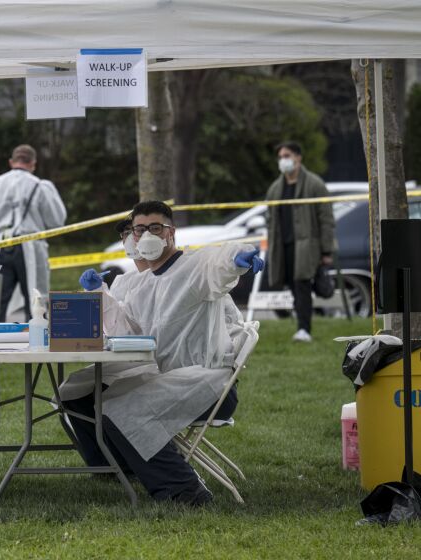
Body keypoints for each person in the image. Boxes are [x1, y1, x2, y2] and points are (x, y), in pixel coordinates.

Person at [59, 201, 263, 506]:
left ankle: (187, 492)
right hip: (168, 376)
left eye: (156, 228)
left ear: (171, 233)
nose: (146, 235)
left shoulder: (193, 267)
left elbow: (216, 263)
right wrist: (100, 294)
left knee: (122, 413)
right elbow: (129, 334)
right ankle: (120, 468)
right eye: (140, 229)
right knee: (80, 391)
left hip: (205, 381)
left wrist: (237, 258)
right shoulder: (143, 283)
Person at [0, 144, 66, 322]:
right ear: (33, 164)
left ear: (11, 162)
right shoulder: (41, 186)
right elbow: (57, 221)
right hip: (30, 246)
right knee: (36, 299)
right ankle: (38, 338)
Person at [265, 141, 335, 343]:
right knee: (294, 288)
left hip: (307, 247)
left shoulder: (314, 184)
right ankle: (301, 326)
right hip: (284, 246)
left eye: (286, 156)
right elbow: (270, 219)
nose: (283, 160)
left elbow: (326, 219)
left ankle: (304, 329)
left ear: (298, 157)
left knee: (302, 285)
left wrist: (326, 250)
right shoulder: (275, 188)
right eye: (280, 157)